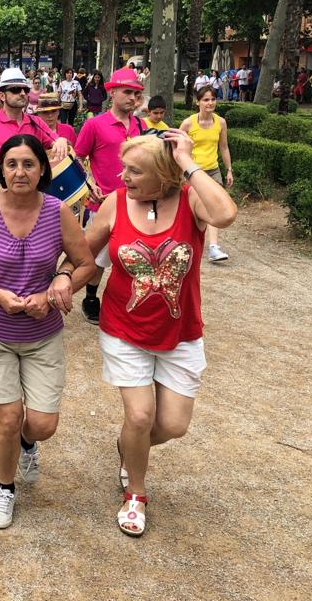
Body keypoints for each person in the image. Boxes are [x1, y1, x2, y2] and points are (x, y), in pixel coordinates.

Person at [84, 131, 237, 537]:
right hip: (123, 326)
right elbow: (83, 251)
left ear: (164, 175)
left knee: (172, 426)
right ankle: (135, 492)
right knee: (139, 415)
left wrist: (189, 162)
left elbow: (225, 214)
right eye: (124, 168)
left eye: (135, 171)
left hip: (181, 331)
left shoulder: (191, 200)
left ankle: (129, 449)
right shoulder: (115, 203)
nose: (124, 177)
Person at [0, 134, 95, 528]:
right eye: (11, 164)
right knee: (9, 418)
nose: (19, 172)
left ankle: (27, 445)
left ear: (42, 170)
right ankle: (4, 487)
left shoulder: (57, 211)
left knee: (42, 424)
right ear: (0, 170)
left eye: (29, 164)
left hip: (42, 330)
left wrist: (61, 283)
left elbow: (85, 263)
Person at [74, 67, 147, 324]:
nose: (132, 98)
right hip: (102, 205)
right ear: (112, 92)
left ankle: (128, 299)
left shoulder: (141, 125)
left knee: (133, 256)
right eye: (127, 92)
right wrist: (89, 181)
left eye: (136, 94)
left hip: (137, 204)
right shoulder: (95, 124)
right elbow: (77, 157)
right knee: (98, 257)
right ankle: (91, 298)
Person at [0, 69, 68, 196]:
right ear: (2, 95)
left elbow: (57, 144)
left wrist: (61, 140)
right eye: (16, 90)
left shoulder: (36, 122)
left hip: (31, 202)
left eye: (25, 90)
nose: (22, 93)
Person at [178, 87, 233, 262]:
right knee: (188, 209)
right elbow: (177, 148)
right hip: (191, 171)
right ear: (198, 102)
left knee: (213, 207)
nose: (210, 103)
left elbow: (223, 147)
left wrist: (229, 169)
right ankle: (183, 242)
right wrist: (178, 172)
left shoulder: (221, 122)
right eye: (206, 100)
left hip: (213, 170)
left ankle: (213, 247)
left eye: (213, 99)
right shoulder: (188, 123)